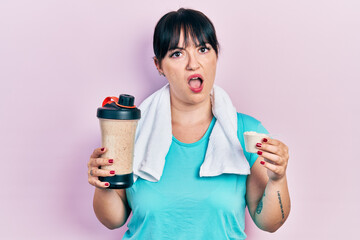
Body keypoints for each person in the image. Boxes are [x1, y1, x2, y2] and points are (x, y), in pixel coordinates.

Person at [88, 8, 290, 239]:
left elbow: (269, 222)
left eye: (203, 49)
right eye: (177, 53)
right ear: (158, 65)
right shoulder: (132, 131)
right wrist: (101, 183)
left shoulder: (245, 132)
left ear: (216, 56)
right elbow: (113, 220)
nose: (193, 64)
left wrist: (278, 179)